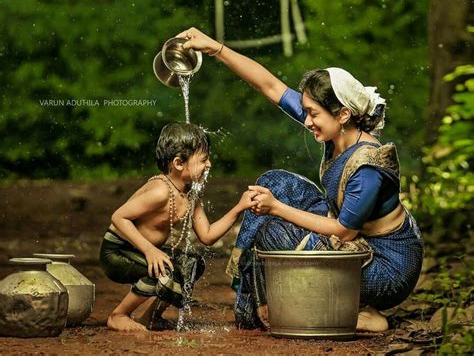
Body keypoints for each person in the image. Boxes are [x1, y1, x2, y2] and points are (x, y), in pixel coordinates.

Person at [178, 27, 424, 333]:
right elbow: (269, 86)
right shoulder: (338, 132)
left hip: (386, 268)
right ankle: (250, 293)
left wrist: (277, 208)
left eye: (313, 114)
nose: (307, 121)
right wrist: (214, 48)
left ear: (343, 114)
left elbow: (343, 232)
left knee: (274, 232)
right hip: (358, 243)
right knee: (273, 182)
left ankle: (352, 310)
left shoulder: (367, 168)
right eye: (306, 111)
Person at [99, 122, 257, 332]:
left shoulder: (192, 194)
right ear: (179, 163)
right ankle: (118, 315)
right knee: (164, 271)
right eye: (203, 160)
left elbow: (207, 236)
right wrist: (150, 250)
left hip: (144, 252)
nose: (209, 164)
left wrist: (240, 207)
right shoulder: (161, 191)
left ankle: (151, 317)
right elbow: (119, 217)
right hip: (118, 252)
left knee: (191, 265)